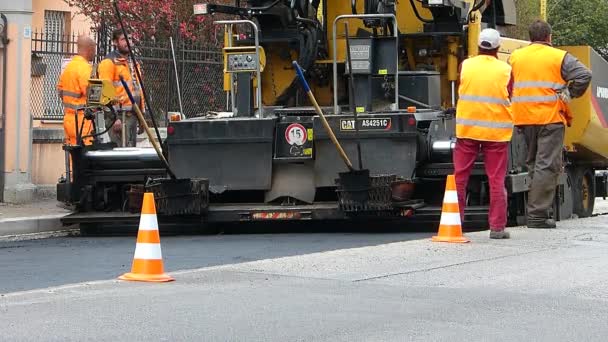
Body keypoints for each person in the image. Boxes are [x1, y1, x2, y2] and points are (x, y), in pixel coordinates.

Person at [509, 20, 592, 228]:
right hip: (550, 118)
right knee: (547, 166)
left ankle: (540, 209)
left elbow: (507, 85)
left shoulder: (515, 57)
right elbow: (584, 75)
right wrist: (568, 95)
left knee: (534, 165)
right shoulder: (558, 56)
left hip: (523, 119)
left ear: (530, 37)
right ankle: (537, 215)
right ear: (549, 37)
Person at [454, 28, 514, 239]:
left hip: (467, 130)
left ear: (479, 45)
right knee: (496, 180)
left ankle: (455, 224)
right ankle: (497, 228)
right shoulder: (506, 70)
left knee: (460, 179)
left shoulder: (465, 65)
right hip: (496, 134)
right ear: (498, 48)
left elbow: (460, 88)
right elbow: (511, 94)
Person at [97, 28, 144, 147]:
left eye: (130, 39)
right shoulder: (109, 63)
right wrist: (114, 118)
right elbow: (105, 93)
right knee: (119, 154)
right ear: (115, 42)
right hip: (118, 118)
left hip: (132, 116)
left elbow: (138, 91)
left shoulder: (133, 63)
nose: (128, 42)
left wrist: (141, 117)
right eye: (124, 39)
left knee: (130, 155)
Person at [57, 35, 97, 145]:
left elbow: (60, 90)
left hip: (69, 119)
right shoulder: (85, 68)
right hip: (82, 121)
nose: (95, 53)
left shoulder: (69, 67)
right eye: (94, 49)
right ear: (89, 49)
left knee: (73, 155)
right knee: (84, 155)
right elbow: (92, 95)